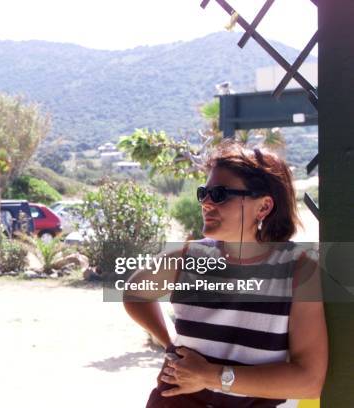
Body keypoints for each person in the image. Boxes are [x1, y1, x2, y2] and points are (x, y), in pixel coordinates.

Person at [124, 143, 328, 407]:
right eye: (203, 193)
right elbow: (133, 293)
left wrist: (211, 376)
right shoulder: (188, 257)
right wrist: (170, 345)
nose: (206, 203)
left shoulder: (300, 270)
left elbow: (308, 380)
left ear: (264, 206)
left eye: (220, 194)